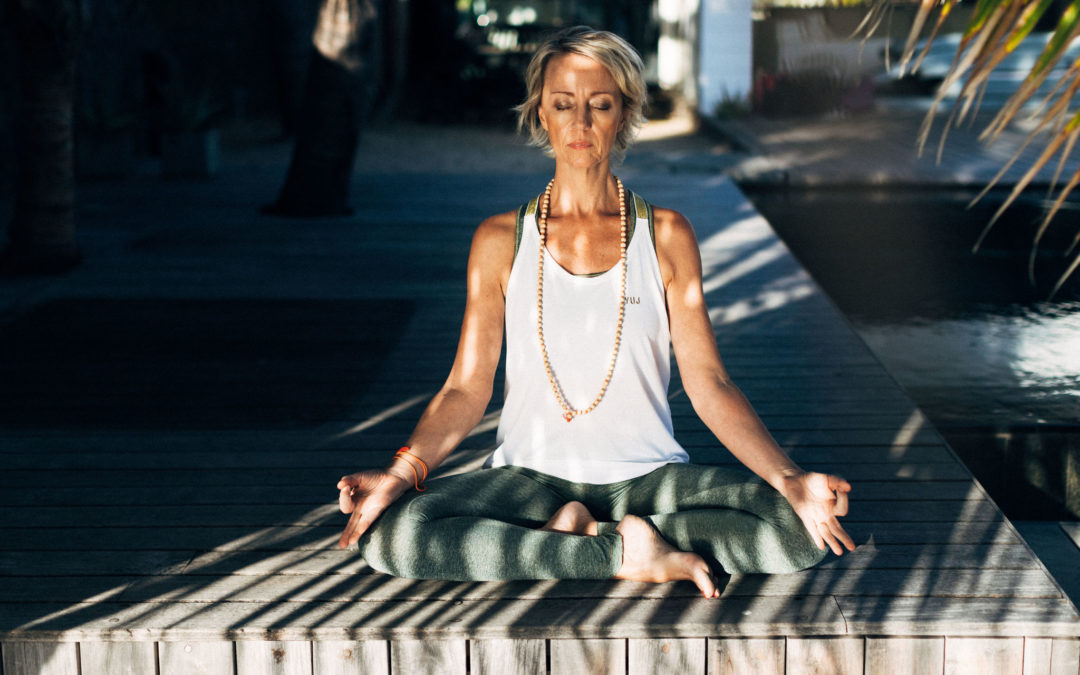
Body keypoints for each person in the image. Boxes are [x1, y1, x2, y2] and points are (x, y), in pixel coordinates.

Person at [336, 26, 854, 598]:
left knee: (800, 531)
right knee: (394, 535)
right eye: (563, 104)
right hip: (529, 479)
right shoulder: (499, 240)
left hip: (650, 479)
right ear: (540, 113)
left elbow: (709, 382)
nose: (580, 124)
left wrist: (788, 478)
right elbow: (466, 388)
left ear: (624, 115)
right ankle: (629, 552)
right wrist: (402, 473)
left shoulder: (667, 236)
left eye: (599, 105)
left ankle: (575, 540)